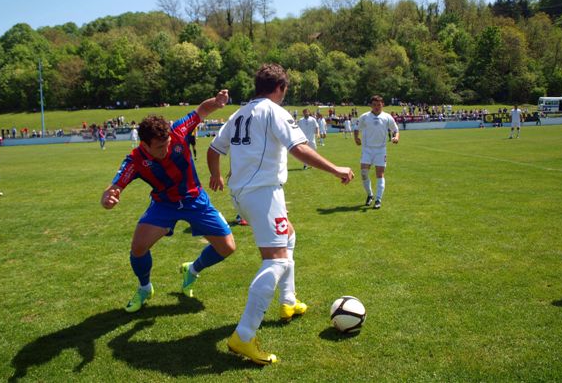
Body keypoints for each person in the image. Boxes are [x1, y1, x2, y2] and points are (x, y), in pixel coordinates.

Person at [208, 64, 354, 365]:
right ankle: (244, 336)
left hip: (246, 191)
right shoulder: (274, 111)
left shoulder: (239, 113)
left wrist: (216, 176)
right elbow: (298, 148)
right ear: (281, 88)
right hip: (262, 192)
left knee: (289, 235)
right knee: (275, 259)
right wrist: (336, 169)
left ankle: (288, 302)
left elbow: (213, 150)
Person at [100, 90, 236, 314]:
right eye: (159, 147)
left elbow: (201, 111)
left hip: (195, 199)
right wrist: (108, 198)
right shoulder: (135, 161)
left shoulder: (179, 131)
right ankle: (145, 288)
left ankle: (191, 270)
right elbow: (114, 187)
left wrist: (218, 102)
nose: (166, 149)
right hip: (164, 205)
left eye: (167, 144)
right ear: (144, 145)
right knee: (138, 247)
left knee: (227, 247)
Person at [354, 95, 399, 210]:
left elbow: (396, 130)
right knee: (364, 173)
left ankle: (378, 199)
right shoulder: (364, 117)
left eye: (379, 105)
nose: (377, 107)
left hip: (380, 150)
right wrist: (356, 138)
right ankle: (370, 194)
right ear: (371, 105)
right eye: (374, 105)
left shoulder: (387, 117)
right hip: (367, 149)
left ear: (382, 105)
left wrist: (396, 137)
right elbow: (356, 128)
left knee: (380, 174)